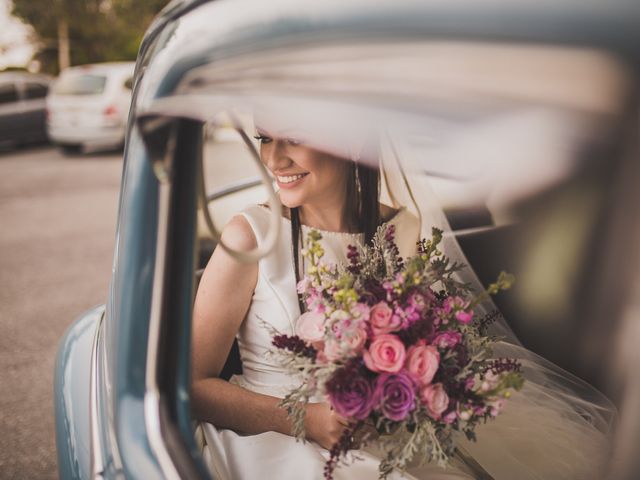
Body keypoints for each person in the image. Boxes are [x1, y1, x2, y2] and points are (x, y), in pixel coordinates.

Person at [191, 117, 615, 479]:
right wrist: (310, 420)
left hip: (398, 434)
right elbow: (192, 386)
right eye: (265, 137)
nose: (273, 159)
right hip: (276, 444)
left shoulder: (405, 230)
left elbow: (438, 345)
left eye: (295, 137)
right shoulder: (250, 237)